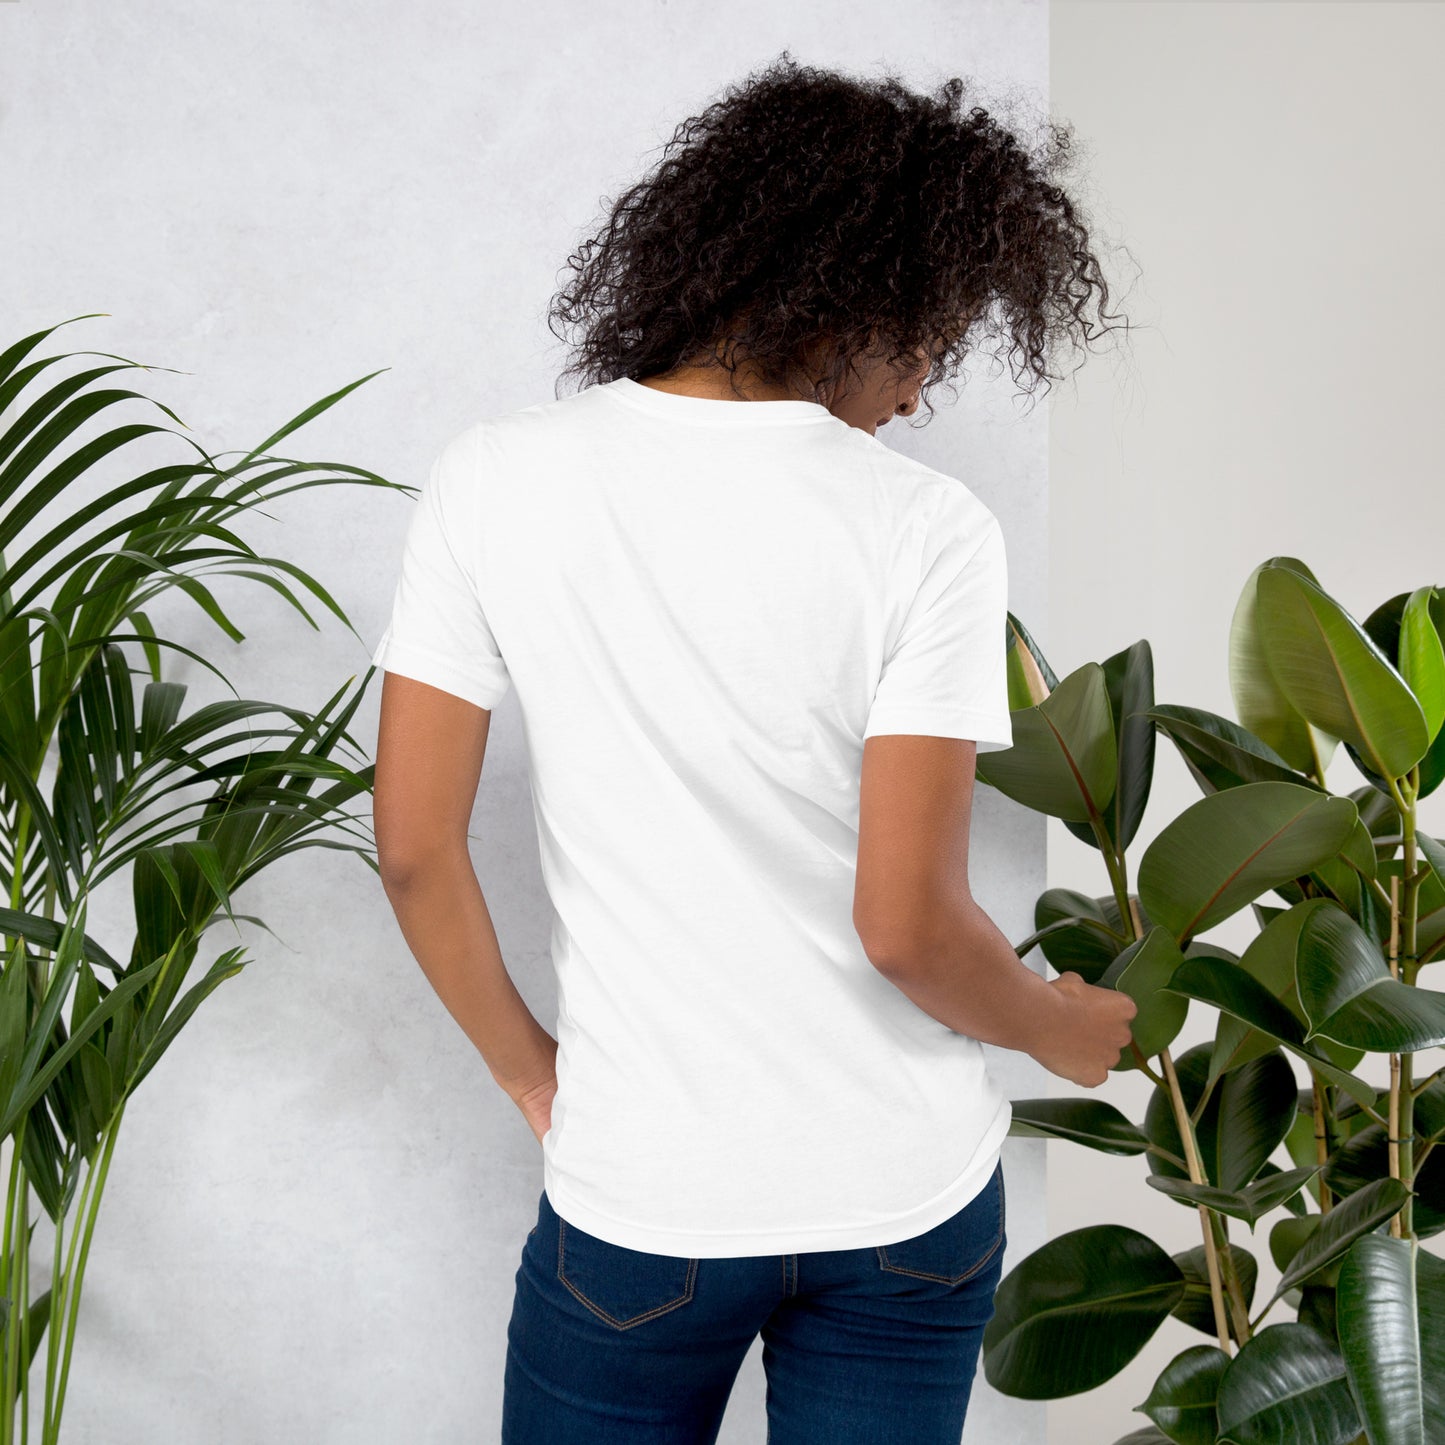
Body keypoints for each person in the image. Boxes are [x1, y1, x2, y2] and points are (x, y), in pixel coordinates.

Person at [371, 51, 1137, 1445]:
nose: (916, 397)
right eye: (930, 340)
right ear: (856, 296)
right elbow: (905, 924)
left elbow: (415, 849)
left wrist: (529, 1072)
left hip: (643, 1200)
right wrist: (1058, 1025)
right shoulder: (923, 531)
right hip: (899, 1203)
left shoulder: (495, 478)